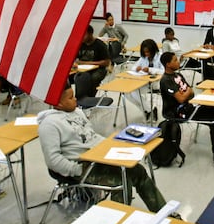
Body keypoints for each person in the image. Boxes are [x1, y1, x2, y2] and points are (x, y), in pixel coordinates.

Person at [38, 83, 169, 212]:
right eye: (71, 98)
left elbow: (91, 136)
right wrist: (77, 170)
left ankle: (164, 214)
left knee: (138, 171)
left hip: (101, 156)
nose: (76, 99)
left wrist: (111, 145)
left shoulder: (77, 112)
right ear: (58, 104)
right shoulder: (49, 125)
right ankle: (117, 223)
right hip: (82, 165)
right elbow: (53, 160)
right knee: (122, 183)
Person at [73, 25, 110, 100]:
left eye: (84, 34)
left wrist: (87, 63)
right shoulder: (80, 44)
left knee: (94, 78)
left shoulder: (100, 45)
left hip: (98, 69)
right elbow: (74, 58)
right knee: (70, 76)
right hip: (81, 68)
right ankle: (76, 98)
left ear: (91, 34)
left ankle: (89, 99)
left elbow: (106, 62)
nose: (82, 36)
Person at [129, 39, 163, 120]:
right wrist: (136, 68)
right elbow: (133, 67)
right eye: (144, 52)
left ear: (153, 50)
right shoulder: (143, 57)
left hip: (155, 83)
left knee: (134, 93)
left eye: (148, 52)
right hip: (143, 81)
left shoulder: (160, 56)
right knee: (129, 92)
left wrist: (150, 70)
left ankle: (147, 110)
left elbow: (163, 71)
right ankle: (149, 109)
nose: (146, 54)